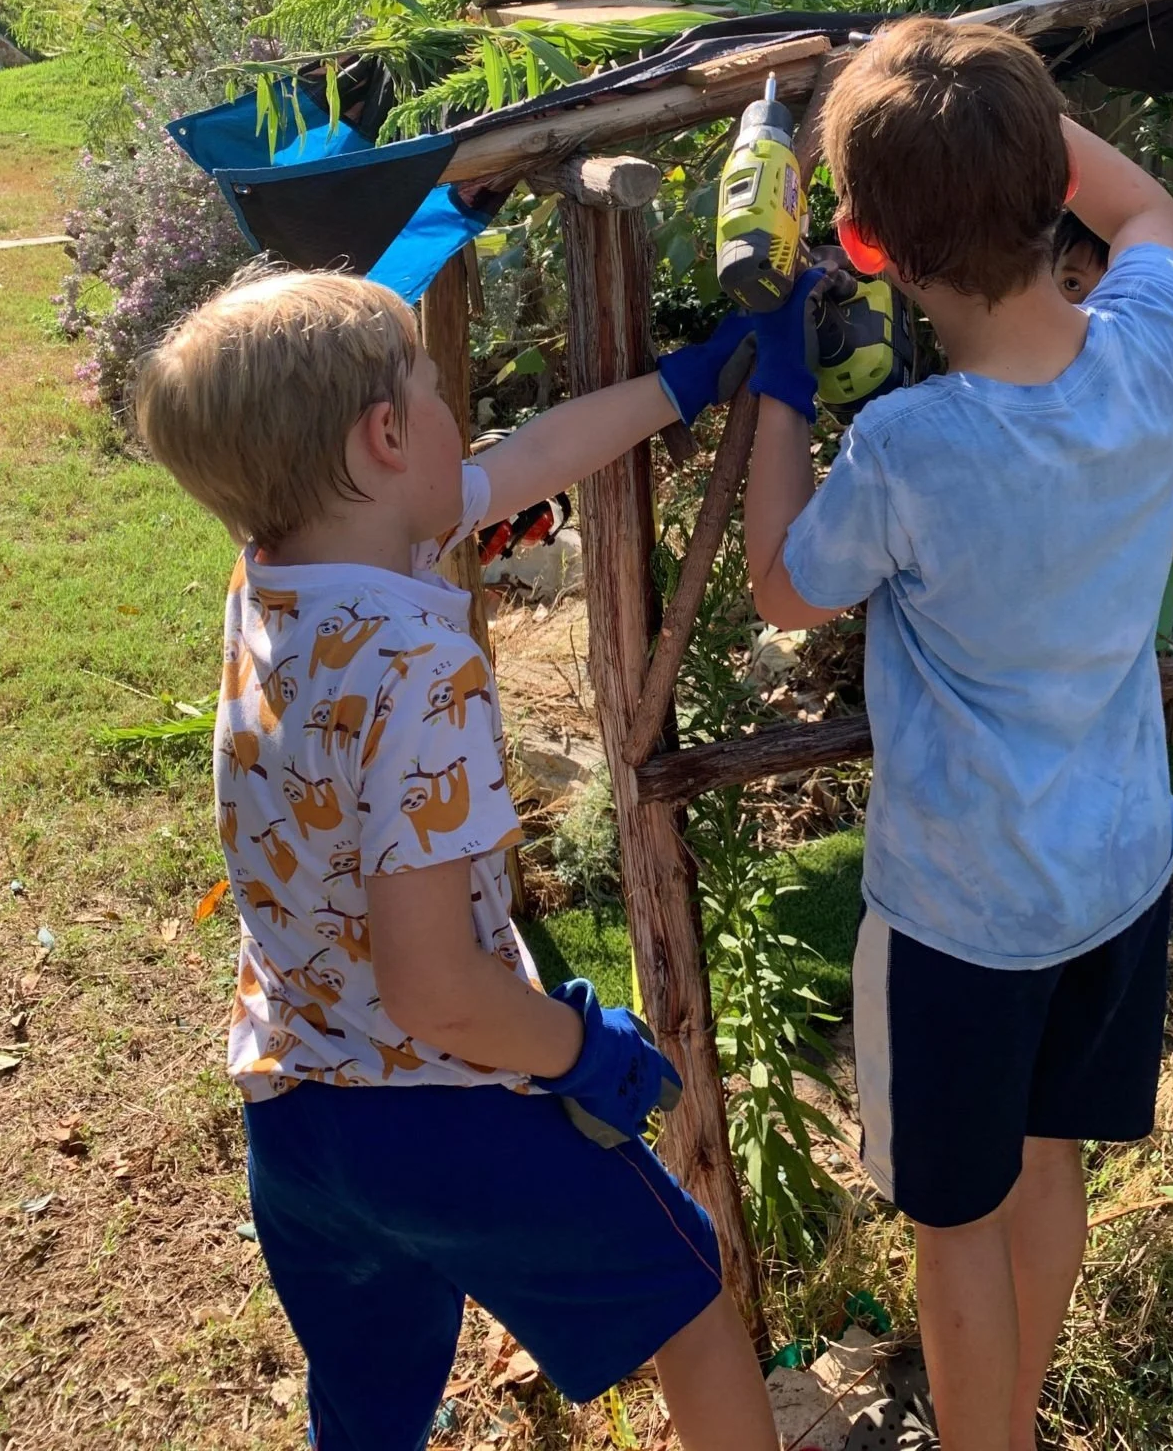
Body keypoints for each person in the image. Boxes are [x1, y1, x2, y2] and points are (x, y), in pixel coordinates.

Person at [134, 267, 775, 1451]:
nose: (458, 418)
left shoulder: (275, 577)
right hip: (447, 1113)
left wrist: (685, 382)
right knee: (687, 1297)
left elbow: (523, 464)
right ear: (386, 438)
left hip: (297, 1116)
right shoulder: (419, 668)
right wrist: (582, 1051)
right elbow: (436, 987)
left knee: (370, 1406)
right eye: (436, 392)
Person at [740, 17, 1173, 1451]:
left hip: (960, 914)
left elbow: (781, 588)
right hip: (1116, 872)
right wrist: (996, 127)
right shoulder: (1150, 343)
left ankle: (984, 1435)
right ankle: (1018, 1412)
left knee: (953, 1222)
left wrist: (774, 378)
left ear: (870, 247)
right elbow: (1146, 210)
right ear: (1043, 191)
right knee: (1047, 1164)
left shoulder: (909, 450)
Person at [1053, 210, 1173, 648]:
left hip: (1128, 642)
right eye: (1071, 285)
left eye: (1115, 293)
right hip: (1033, 643)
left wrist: (1140, 540)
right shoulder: (1019, 384)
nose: (1090, 310)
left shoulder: (1171, 390)